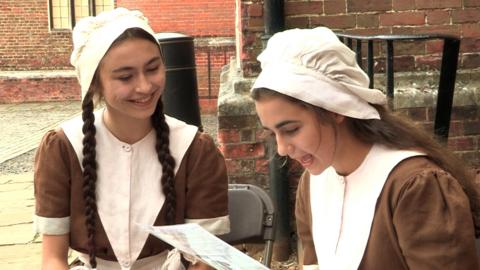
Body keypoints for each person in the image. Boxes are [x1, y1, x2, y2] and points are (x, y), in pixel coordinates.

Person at [251, 27, 480, 269]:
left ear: (334, 109)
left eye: (291, 130)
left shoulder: (415, 187)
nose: (282, 149)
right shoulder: (312, 184)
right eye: (272, 133)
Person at [33, 7, 229, 270]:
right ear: (95, 84)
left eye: (153, 68)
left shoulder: (195, 149)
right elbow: (53, 258)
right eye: (125, 76)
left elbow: (205, 260)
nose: (145, 86)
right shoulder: (63, 148)